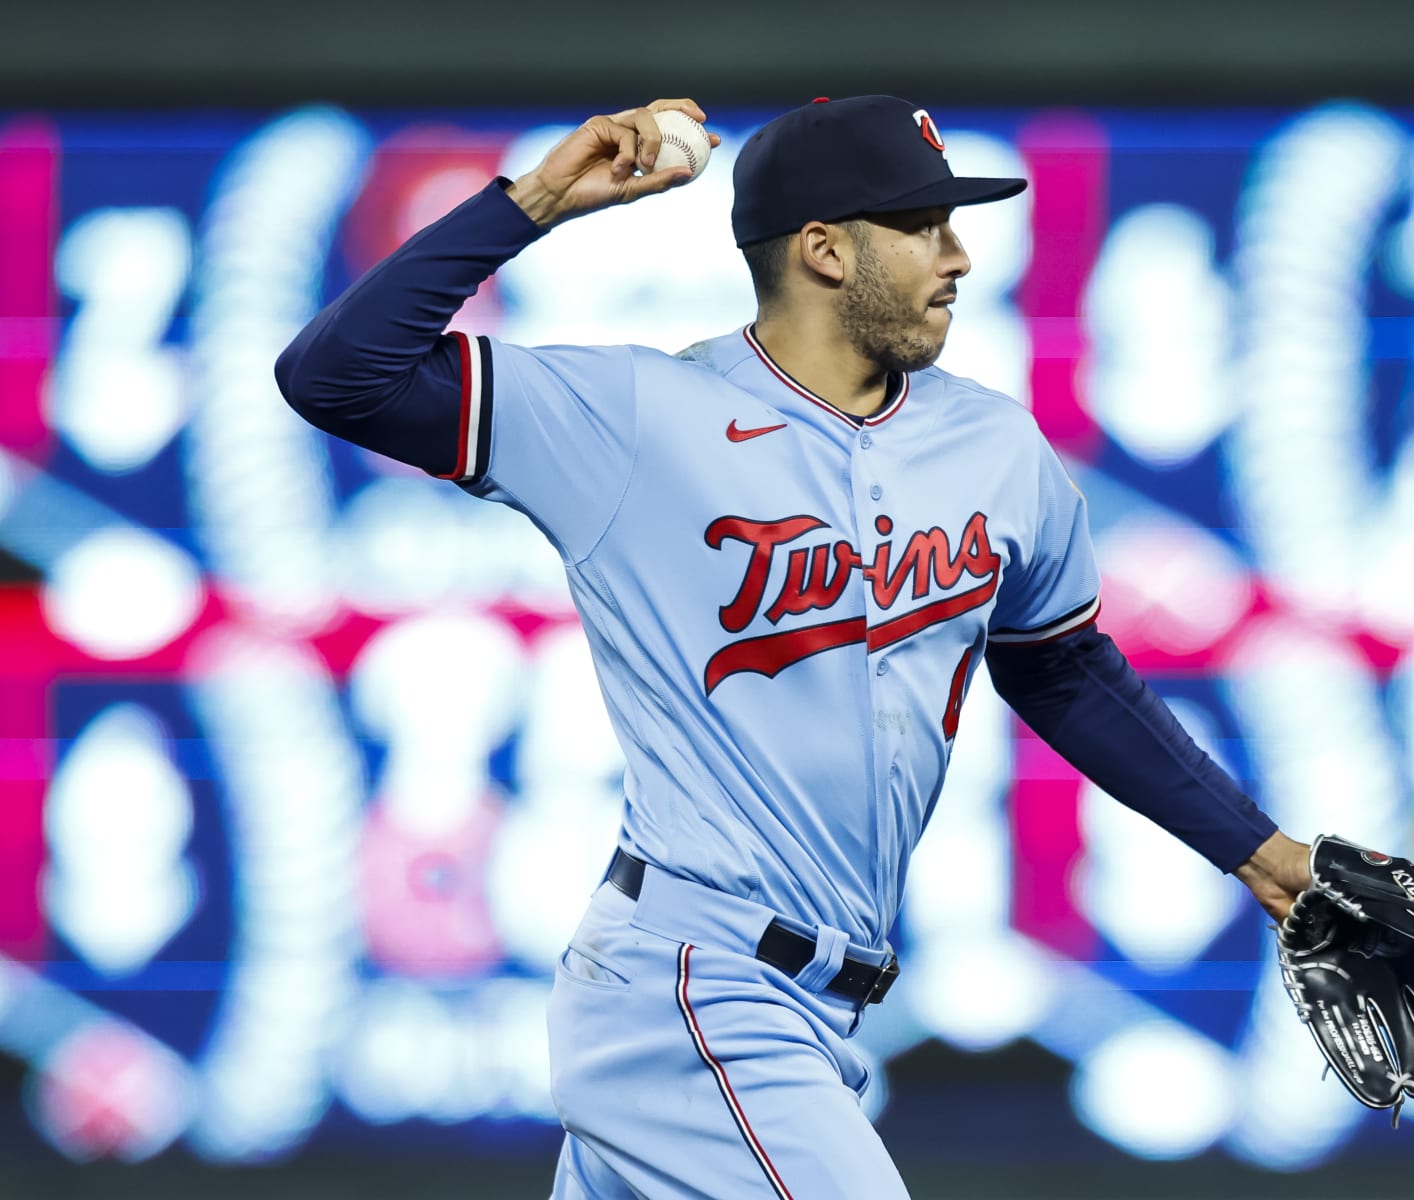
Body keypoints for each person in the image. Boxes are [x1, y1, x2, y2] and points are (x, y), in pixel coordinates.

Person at [276, 94, 1313, 1200]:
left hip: (817, 1015)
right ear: (824, 249)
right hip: (690, 987)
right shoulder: (637, 417)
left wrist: (1265, 859)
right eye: (922, 225)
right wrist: (533, 201)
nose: (959, 256)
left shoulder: (994, 445)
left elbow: (1058, 666)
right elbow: (335, 375)